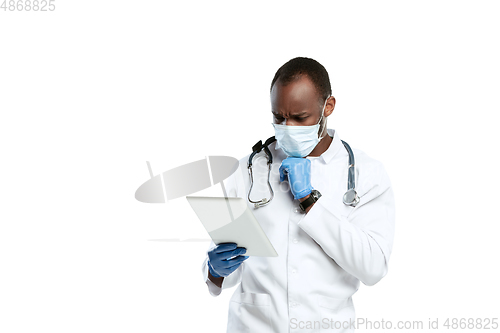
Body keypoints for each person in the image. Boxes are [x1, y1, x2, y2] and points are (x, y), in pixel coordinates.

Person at [201, 57, 396, 333]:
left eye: (300, 118)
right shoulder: (249, 169)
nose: (287, 127)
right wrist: (215, 270)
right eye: (278, 117)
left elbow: (373, 268)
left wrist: (308, 199)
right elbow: (225, 264)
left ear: (327, 107)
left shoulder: (366, 174)